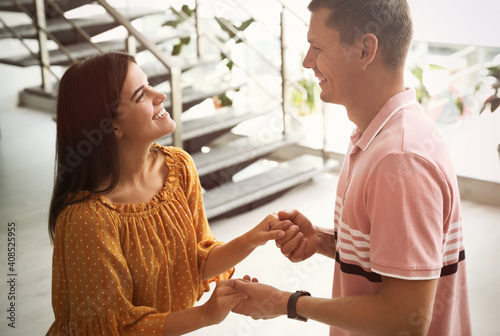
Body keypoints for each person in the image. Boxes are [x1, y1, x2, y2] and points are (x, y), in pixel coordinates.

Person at [230, 0, 472, 335]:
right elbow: (387, 262)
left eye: (317, 47)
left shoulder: (400, 160)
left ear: (364, 49)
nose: (307, 62)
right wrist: (322, 240)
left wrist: (284, 302)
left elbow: (403, 320)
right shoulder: (374, 136)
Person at [46, 51, 290, 335]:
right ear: (110, 126)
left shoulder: (177, 167)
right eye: (141, 95)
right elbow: (113, 329)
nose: (159, 95)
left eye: (149, 84)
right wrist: (205, 315)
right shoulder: (87, 219)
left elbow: (195, 262)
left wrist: (253, 239)